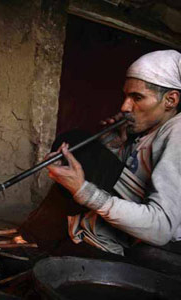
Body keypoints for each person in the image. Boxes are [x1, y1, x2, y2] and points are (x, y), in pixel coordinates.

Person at [44, 49, 181, 258]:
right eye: (126, 96)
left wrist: (84, 191)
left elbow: (161, 228)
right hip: (130, 236)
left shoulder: (177, 133)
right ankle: (39, 240)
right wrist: (115, 144)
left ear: (170, 100)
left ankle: (41, 242)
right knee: (79, 145)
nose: (125, 107)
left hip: (164, 251)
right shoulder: (147, 131)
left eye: (137, 97)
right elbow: (123, 182)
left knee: (84, 149)